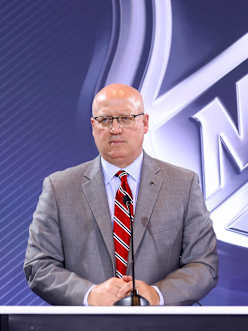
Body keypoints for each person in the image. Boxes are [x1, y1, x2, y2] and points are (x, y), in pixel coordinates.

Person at [24, 83, 218, 306]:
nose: (115, 129)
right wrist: (90, 295)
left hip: (163, 324)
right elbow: (38, 266)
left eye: (126, 118)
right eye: (105, 120)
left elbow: (205, 265)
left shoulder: (183, 185)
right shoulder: (59, 188)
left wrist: (157, 294)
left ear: (144, 123)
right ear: (93, 126)